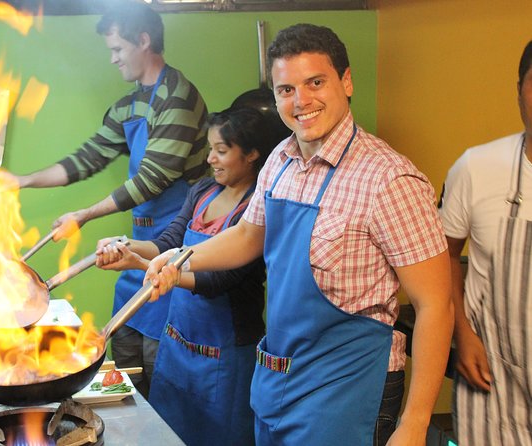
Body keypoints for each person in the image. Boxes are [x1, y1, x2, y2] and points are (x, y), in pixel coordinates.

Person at [143, 23, 454, 446]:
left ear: (346, 82)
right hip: (281, 380)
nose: (301, 101)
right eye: (286, 89)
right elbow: (249, 236)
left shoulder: (389, 179)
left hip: (349, 390)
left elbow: (435, 304)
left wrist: (415, 423)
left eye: (315, 82)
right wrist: (177, 258)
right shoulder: (280, 161)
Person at [9, 1, 209, 397]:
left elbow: (151, 180)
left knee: (160, 369)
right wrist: (22, 180)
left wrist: (83, 215)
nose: (114, 59)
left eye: (117, 49)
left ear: (144, 40)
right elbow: (87, 159)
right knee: (127, 367)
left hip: (173, 253)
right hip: (135, 257)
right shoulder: (128, 104)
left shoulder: (178, 97)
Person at [95, 106, 272, 445]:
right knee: (166, 433)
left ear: (251, 154)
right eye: (210, 149)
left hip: (225, 355)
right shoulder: (203, 190)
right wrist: (127, 250)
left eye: (221, 151)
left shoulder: (255, 210)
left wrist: (172, 275)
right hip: (178, 347)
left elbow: (219, 280)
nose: (211, 159)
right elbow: (167, 243)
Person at [438, 40, 532, 446]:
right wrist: (463, 333)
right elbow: (442, 256)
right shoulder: (477, 167)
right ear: (518, 91)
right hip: (495, 378)